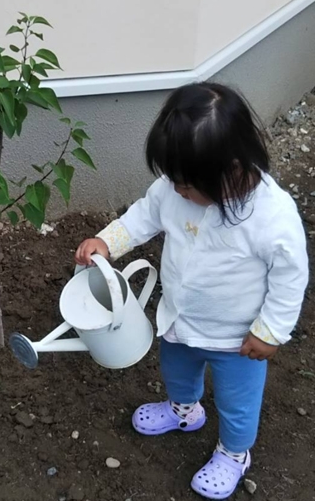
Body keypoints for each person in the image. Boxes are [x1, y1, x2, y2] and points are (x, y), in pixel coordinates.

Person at [75, 82, 309, 500]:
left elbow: (290, 277)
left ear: (233, 170)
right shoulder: (175, 189)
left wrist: (270, 331)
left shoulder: (272, 217)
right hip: (179, 318)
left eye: (186, 183)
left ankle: (235, 453)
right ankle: (185, 411)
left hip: (239, 339)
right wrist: (109, 241)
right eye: (173, 179)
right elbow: (144, 214)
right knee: (177, 373)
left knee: (238, 403)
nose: (176, 189)